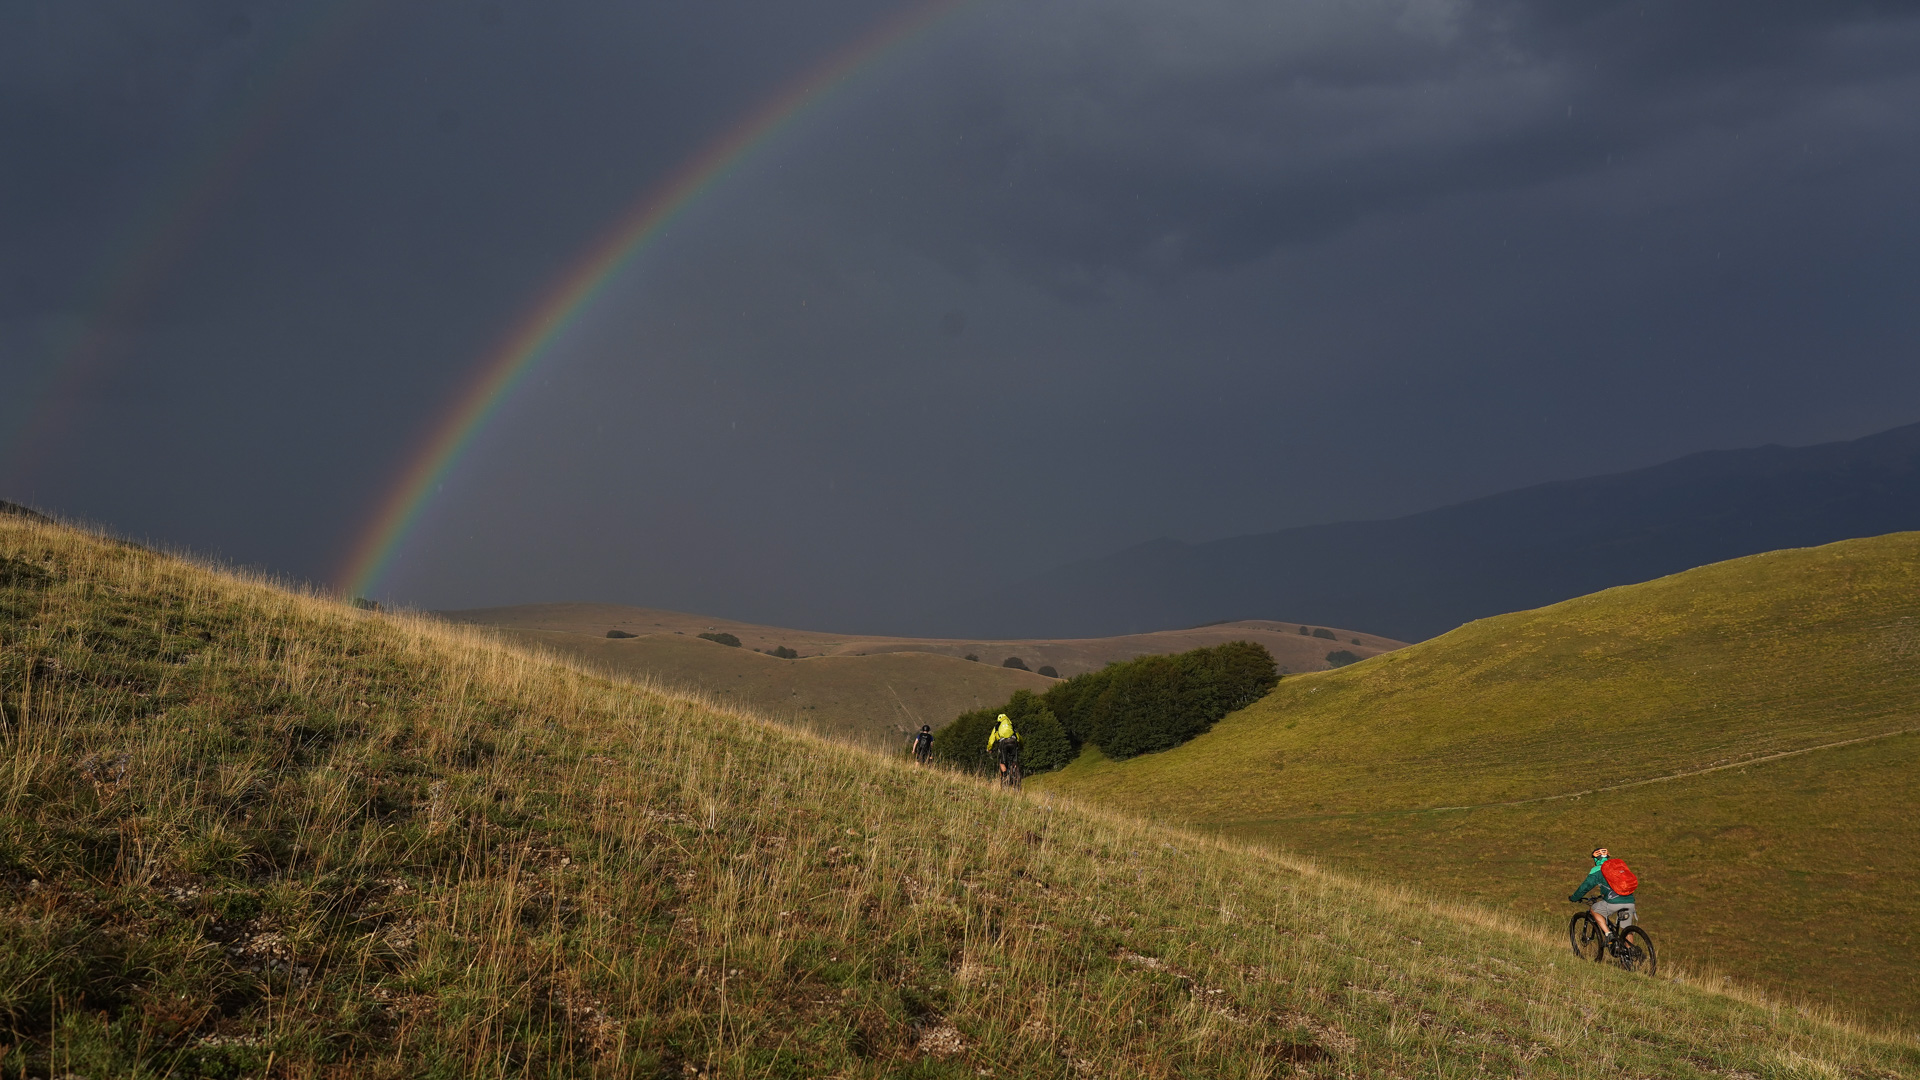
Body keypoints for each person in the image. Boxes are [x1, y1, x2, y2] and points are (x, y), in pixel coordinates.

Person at [1570, 846, 1636, 942]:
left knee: (1594, 910)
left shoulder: (1597, 870)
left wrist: (1574, 898)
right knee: (1626, 929)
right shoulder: (1617, 867)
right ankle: (1630, 952)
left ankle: (1608, 934)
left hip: (1613, 902)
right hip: (1629, 901)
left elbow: (1585, 887)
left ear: (1596, 859)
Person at [985, 712, 1021, 782]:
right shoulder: (1011, 725)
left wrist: (989, 748)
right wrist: (1021, 746)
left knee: (1002, 762)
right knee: (1014, 760)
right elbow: (1018, 737)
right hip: (1013, 742)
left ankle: (1005, 776)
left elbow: (991, 739)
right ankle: (1015, 773)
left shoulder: (997, 727)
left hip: (1003, 743)